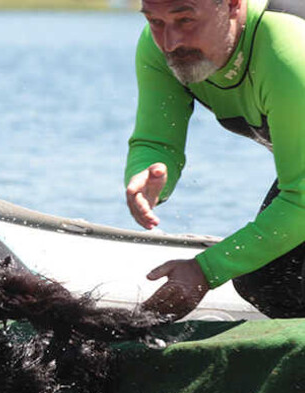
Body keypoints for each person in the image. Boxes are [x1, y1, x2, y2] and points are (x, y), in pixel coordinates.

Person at [125, 0, 305, 319]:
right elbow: (156, 140)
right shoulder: (158, 50)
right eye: (155, 21)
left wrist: (205, 270)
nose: (171, 42)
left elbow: (301, 201)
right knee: (266, 281)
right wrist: (149, 174)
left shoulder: (288, 50)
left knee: (264, 278)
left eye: (185, 20)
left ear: (233, 5)